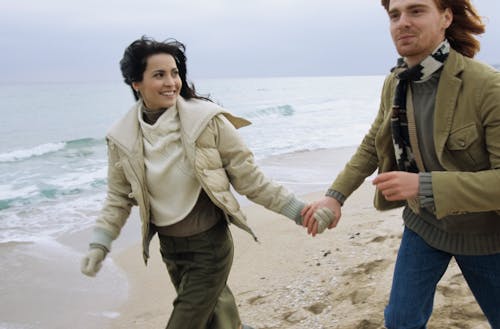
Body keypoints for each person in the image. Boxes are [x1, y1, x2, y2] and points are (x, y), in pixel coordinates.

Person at [80, 36, 332, 329]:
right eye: (159, 74)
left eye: (175, 73)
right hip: (170, 249)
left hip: (210, 247)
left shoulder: (207, 121)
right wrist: (100, 244)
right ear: (136, 83)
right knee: (219, 322)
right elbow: (118, 198)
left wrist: (301, 212)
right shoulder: (121, 137)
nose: (171, 82)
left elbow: (251, 179)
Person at [302, 0, 500, 328]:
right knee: (400, 320)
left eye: (416, 11)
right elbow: (372, 143)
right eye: (395, 15)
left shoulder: (487, 86)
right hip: (424, 225)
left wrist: (424, 186)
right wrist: (334, 196)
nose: (402, 22)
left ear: (446, 18)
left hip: (485, 233)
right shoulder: (396, 81)